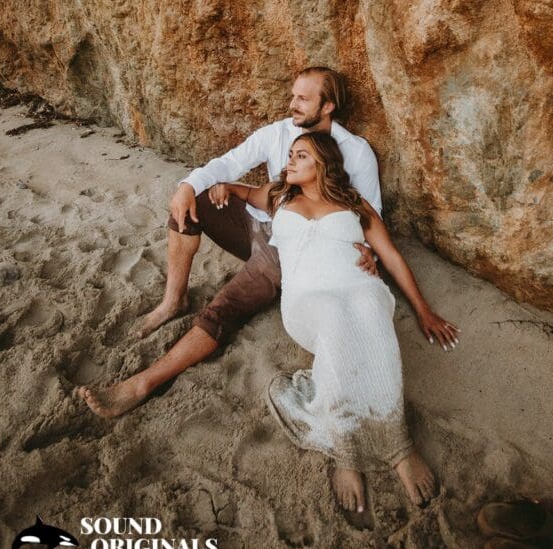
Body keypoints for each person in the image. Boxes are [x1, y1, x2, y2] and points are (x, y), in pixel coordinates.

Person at [78, 68, 382, 425]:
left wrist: (367, 255)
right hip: (258, 222)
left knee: (222, 309)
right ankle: (172, 301)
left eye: (303, 98)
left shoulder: (356, 152)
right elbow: (230, 163)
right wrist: (187, 187)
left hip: (289, 253)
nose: (292, 104)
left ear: (328, 105)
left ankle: (141, 384)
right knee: (195, 203)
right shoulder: (279, 132)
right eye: (292, 95)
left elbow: (369, 218)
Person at [207, 132, 459, 515]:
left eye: (301, 155)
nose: (289, 161)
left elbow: (388, 255)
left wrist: (424, 310)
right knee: (336, 315)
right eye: (290, 154)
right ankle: (346, 450)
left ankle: (399, 446)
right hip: (308, 299)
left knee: (374, 308)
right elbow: (243, 192)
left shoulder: (353, 203)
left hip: (357, 285)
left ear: (323, 163)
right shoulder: (279, 196)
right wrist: (225, 187)